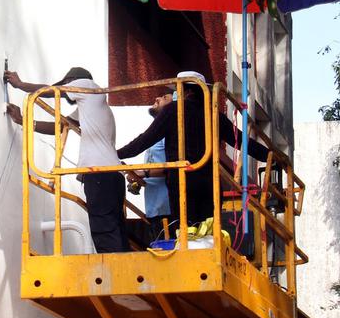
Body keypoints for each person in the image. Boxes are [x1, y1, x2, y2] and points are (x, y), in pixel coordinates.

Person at [117, 71, 272, 233]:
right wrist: (269, 156)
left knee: (186, 233)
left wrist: (116, 154)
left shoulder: (173, 110)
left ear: (186, 90)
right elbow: (242, 141)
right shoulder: (214, 115)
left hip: (182, 183)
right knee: (207, 231)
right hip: (210, 183)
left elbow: (144, 140)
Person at [3, 67, 129, 253]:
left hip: (100, 173)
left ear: (72, 81)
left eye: (66, 84)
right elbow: (60, 126)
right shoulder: (92, 107)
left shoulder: (86, 85)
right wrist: (23, 120)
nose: (64, 88)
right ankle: (122, 271)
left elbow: (52, 91)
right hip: (111, 175)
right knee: (113, 229)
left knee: (105, 230)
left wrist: (21, 85)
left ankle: (117, 275)